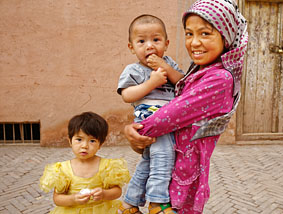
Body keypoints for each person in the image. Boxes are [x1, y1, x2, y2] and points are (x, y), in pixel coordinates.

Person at [123, 1, 249, 213]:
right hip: (169, 167)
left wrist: (135, 131)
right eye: (189, 34)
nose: (194, 43)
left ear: (226, 36)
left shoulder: (219, 78)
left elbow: (168, 117)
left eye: (205, 34)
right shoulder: (199, 71)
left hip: (184, 177)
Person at [117, 14, 184, 214]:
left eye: (156, 40)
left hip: (170, 119)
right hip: (150, 119)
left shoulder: (169, 63)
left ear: (166, 43)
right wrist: (152, 82)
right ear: (131, 47)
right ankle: (158, 203)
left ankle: (129, 204)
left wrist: (165, 68)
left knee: (148, 162)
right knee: (164, 157)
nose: (150, 46)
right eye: (141, 41)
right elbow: (127, 95)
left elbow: (182, 83)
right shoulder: (133, 70)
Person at [39, 112, 131, 214]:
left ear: (100, 144)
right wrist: (73, 199)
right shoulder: (63, 169)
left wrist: (104, 194)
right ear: (70, 141)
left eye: (92, 141)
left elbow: (117, 191)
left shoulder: (107, 166)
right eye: (79, 139)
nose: (85, 146)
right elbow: (57, 198)